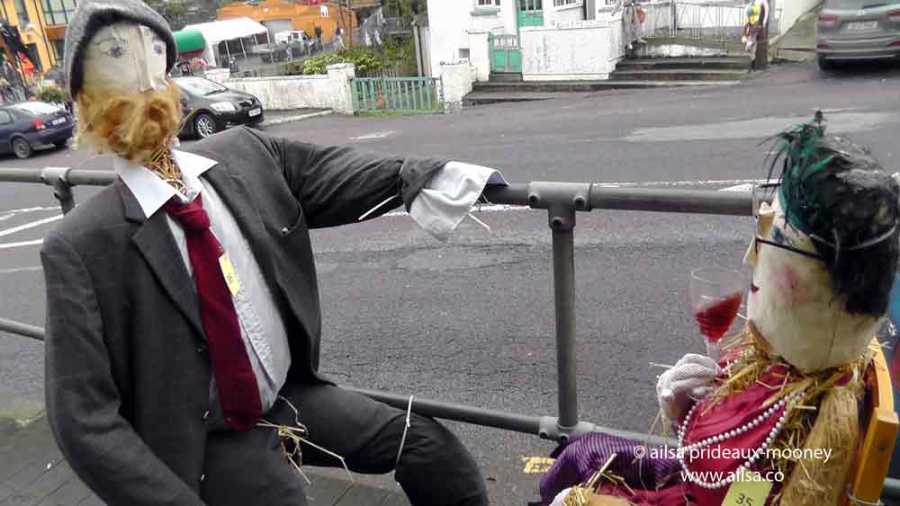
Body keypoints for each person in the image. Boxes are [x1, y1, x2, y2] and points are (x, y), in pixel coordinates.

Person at [43, 1, 499, 505]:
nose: (145, 80)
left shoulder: (244, 154)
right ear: (84, 97)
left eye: (153, 56)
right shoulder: (80, 245)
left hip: (288, 397)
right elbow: (82, 420)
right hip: (211, 438)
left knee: (430, 448)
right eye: (115, 59)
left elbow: (339, 176)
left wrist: (432, 177)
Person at [540, 113, 900, 505]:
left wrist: (681, 412)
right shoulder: (805, 365)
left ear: (824, 285)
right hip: (698, 480)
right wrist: (697, 403)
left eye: (772, 238)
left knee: (571, 479)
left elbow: (722, 486)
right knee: (579, 454)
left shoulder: (791, 429)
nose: (750, 257)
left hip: (695, 491)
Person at [742, 0, 769, 71]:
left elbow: (766, 11)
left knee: (751, 46)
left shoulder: (761, 2)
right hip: (751, 25)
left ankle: (752, 66)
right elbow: (746, 19)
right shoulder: (749, 5)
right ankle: (752, 66)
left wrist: (763, 23)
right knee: (752, 50)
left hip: (756, 26)